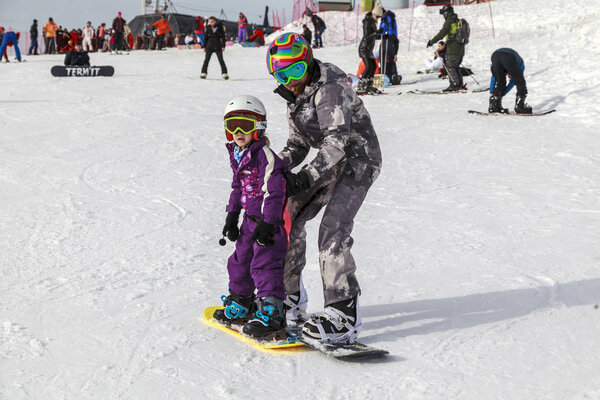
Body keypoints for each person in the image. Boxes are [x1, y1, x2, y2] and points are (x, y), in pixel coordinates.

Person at [266, 33, 382, 344]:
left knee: (333, 228)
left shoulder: (330, 88)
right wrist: (273, 166)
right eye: (280, 73)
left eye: (294, 71)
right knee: (289, 213)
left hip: (358, 160)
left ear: (308, 62)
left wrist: (304, 178)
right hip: (329, 160)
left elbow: (336, 143)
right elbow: (298, 143)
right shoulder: (295, 95)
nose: (289, 80)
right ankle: (289, 295)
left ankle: (343, 310)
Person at [216, 95, 290, 339]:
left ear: (259, 128)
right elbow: (238, 188)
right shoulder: (239, 155)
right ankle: (243, 302)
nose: (238, 132)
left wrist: (269, 223)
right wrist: (232, 216)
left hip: (271, 223)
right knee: (239, 260)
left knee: (265, 264)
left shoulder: (265, 157)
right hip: (250, 221)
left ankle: (273, 312)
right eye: (232, 126)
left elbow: (274, 191)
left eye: (245, 126)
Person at [426, 5, 466, 92]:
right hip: (461, 48)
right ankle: (459, 84)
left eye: (443, 14)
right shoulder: (457, 20)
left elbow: (441, 33)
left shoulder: (449, 21)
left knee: (450, 66)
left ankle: (454, 85)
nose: (443, 16)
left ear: (446, 13)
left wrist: (431, 41)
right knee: (455, 67)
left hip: (453, 48)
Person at [488, 48, 533, 114]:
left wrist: (493, 93)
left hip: (495, 56)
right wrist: (503, 93)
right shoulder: (520, 65)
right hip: (508, 56)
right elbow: (515, 81)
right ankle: (520, 106)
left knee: (500, 81)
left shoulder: (507, 67)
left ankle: (494, 106)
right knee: (520, 81)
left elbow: (494, 77)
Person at [357, 7, 382, 95]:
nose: (378, 19)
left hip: (369, 49)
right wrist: (377, 33)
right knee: (368, 66)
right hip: (364, 48)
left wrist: (382, 36)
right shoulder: (367, 22)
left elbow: (373, 36)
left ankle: (369, 84)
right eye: (377, 17)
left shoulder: (373, 22)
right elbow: (367, 36)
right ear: (373, 14)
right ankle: (361, 85)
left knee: (373, 66)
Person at [378, 5, 401, 85]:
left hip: (389, 39)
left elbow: (390, 29)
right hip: (384, 39)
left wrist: (387, 34)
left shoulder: (389, 17)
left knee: (390, 57)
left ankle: (393, 75)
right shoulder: (383, 18)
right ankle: (385, 74)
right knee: (382, 57)